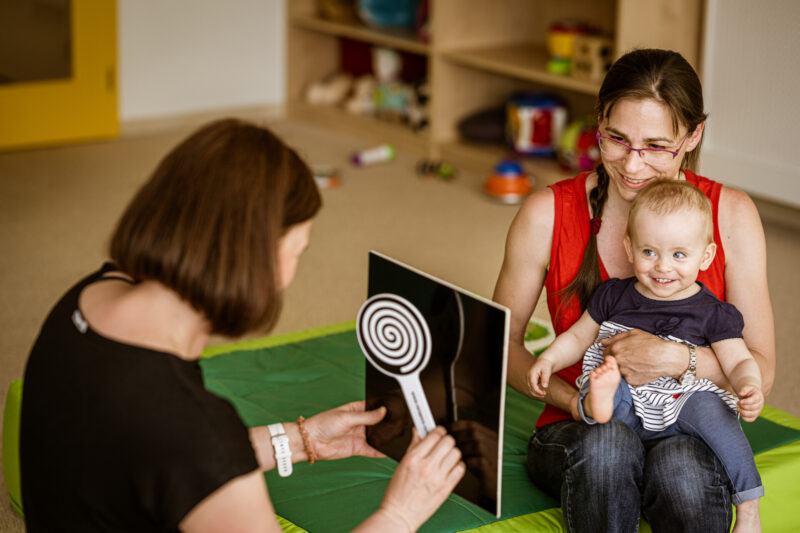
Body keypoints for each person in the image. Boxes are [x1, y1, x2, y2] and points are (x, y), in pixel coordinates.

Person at [19, 119, 465, 532]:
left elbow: (158, 461)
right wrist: (401, 513)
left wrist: (300, 439)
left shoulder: (86, 297)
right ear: (257, 258)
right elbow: (191, 452)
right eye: (298, 251)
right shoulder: (196, 429)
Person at [493, 48, 775, 532]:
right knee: (608, 446)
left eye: (657, 146)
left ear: (693, 136)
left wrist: (674, 360)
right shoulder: (546, 213)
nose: (634, 165)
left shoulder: (731, 214)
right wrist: (579, 402)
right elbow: (499, 347)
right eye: (616, 139)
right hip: (580, 428)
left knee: (682, 470)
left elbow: (760, 368)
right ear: (598, 122)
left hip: (684, 425)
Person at [527, 180, 764, 532]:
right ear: (629, 247)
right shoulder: (613, 297)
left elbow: (739, 360)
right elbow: (578, 337)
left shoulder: (712, 313)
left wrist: (748, 384)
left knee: (712, 410)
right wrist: (548, 359)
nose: (662, 267)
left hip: (679, 412)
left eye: (679, 255)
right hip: (626, 410)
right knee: (609, 380)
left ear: (707, 256)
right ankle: (600, 405)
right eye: (649, 252)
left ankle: (749, 507)